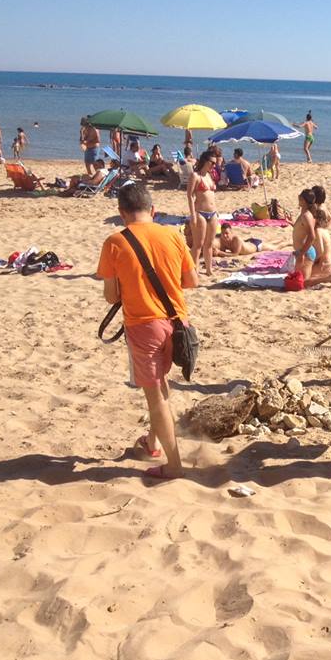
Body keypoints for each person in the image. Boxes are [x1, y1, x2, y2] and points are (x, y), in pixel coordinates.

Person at [97, 182, 198, 480]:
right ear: (153, 210)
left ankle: (175, 465)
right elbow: (191, 280)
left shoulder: (115, 242)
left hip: (143, 324)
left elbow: (111, 296)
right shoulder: (173, 234)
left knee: (155, 397)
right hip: (178, 322)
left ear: (121, 213)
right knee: (162, 387)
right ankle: (152, 443)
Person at [186, 151, 218, 276]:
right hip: (200, 213)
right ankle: (195, 270)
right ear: (205, 161)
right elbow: (189, 195)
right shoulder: (195, 176)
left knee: (209, 244)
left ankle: (209, 270)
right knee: (198, 244)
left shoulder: (209, 176)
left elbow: (212, 195)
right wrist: (192, 214)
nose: (214, 165)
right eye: (212, 162)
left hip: (213, 213)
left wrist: (217, 212)